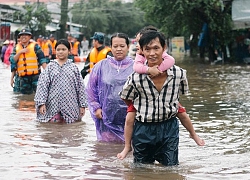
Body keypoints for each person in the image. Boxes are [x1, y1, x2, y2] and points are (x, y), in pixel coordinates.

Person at [117, 27, 205, 160]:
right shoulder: (136, 77)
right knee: (141, 170)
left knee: (170, 169)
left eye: (156, 48)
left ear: (164, 48)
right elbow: (125, 97)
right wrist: (139, 107)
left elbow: (178, 96)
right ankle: (127, 147)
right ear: (141, 51)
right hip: (143, 129)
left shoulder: (179, 74)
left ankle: (193, 134)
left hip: (169, 128)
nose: (152, 53)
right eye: (147, 49)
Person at [85, 32, 134, 142]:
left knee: (129, 148)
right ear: (110, 47)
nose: (119, 49)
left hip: (130, 116)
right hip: (106, 116)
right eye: (115, 46)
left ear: (128, 47)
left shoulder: (136, 67)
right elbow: (91, 89)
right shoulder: (101, 66)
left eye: (122, 46)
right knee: (106, 150)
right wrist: (96, 107)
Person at [34, 39, 87, 123]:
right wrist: (41, 103)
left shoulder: (73, 68)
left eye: (63, 49)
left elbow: (80, 88)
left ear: (69, 51)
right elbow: (42, 86)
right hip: (52, 106)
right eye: (58, 50)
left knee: (70, 130)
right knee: (53, 130)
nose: (60, 52)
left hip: (70, 106)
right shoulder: (50, 67)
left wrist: (82, 105)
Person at [9, 29, 47, 94]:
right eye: (21, 35)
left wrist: (48, 74)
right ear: (19, 37)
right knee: (23, 97)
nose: (23, 36)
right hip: (22, 78)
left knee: (38, 94)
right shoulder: (16, 48)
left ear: (30, 37)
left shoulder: (36, 46)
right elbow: (13, 61)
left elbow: (42, 60)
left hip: (35, 77)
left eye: (26, 35)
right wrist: (20, 52)